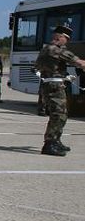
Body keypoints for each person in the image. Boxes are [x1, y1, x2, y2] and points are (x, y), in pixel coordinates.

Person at [34, 25, 85, 156]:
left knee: (59, 113)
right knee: (59, 114)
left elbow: (37, 67)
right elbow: (78, 62)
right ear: (59, 37)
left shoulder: (45, 49)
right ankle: (50, 144)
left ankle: (56, 140)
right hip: (54, 86)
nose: (66, 42)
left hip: (49, 84)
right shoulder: (56, 50)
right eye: (65, 38)